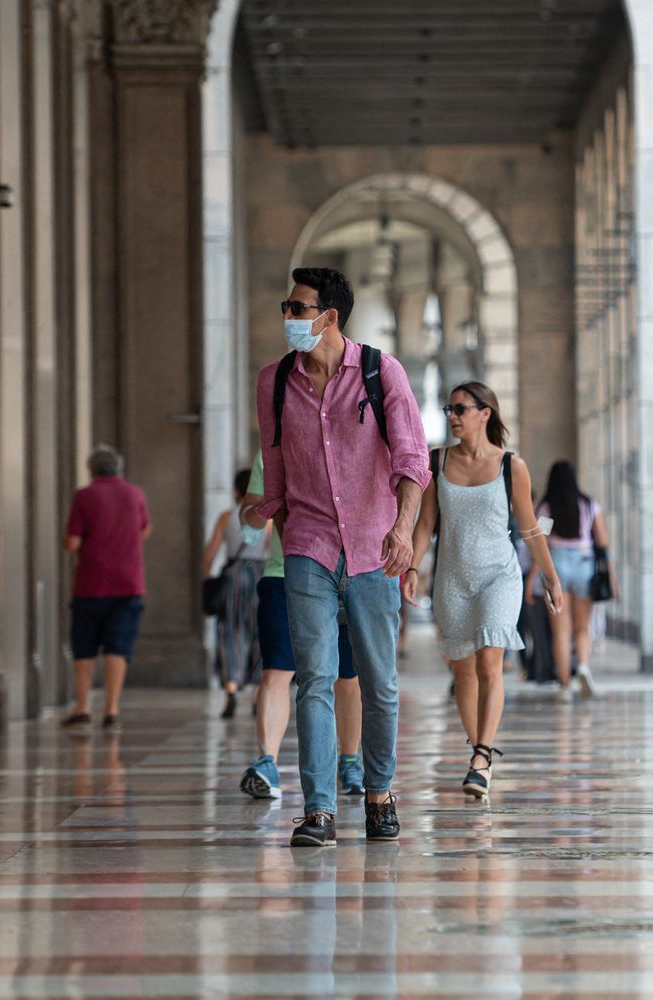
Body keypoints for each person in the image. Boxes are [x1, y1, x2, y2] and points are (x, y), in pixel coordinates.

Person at [255, 266, 430, 847]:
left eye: (297, 309)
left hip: (376, 548)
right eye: (286, 307)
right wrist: (286, 530)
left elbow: (412, 461)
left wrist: (403, 532)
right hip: (307, 546)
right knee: (314, 681)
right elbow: (274, 475)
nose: (287, 318)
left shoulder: (382, 373)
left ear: (329, 316)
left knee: (379, 682)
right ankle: (320, 810)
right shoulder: (274, 382)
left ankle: (379, 795)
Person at [405, 382, 564, 798]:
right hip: (452, 578)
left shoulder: (513, 466)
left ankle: (480, 757)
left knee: (491, 662)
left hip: (500, 576)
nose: (452, 416)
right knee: (463, 670)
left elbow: (529, 528)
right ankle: (481, 750)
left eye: (460, 408)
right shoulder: (436, 462)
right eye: (448, 409)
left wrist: (550, 576)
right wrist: (411, 567)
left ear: (484, 413)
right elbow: (425, 525)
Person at [237, 452, 368, 801]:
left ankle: (350, 761)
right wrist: (262, 510)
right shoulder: (272, 453)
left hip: (345, 573)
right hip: (284, 574)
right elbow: (247, 515)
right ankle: (267, 762)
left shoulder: (352, 440)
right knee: (276, 672)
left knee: (347, 676)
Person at [62, 444, 151, 728]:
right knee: (118, 646)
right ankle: (112, 709)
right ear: (118, 468)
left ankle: (82, 707)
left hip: (90, 584)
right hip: (128, 584)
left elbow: (72, 542)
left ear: (91, 469)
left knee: (84, 647)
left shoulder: (84, 496)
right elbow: (144, 529)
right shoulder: (134, 494)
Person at [531, 461, 614, 701]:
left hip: (556, 565)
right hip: (584, 564)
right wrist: (610, 573)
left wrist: (533, 577)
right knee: (582, 627)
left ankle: (565, 685)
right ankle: (584, 667)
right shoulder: (589, 505)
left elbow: (541, 543)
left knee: (560, 631)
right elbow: (602, 540)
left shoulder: (546, 507)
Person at [201, 469, 267, 719]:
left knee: (230, 630)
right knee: (261, 633)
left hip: (232, 578)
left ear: (236, 490)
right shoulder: (268, 521)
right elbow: (274, 553)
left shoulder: (226, 517)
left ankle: (230, 690)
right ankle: (257, 693)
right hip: (261, 577)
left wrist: (209, 580)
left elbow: (209, 555)